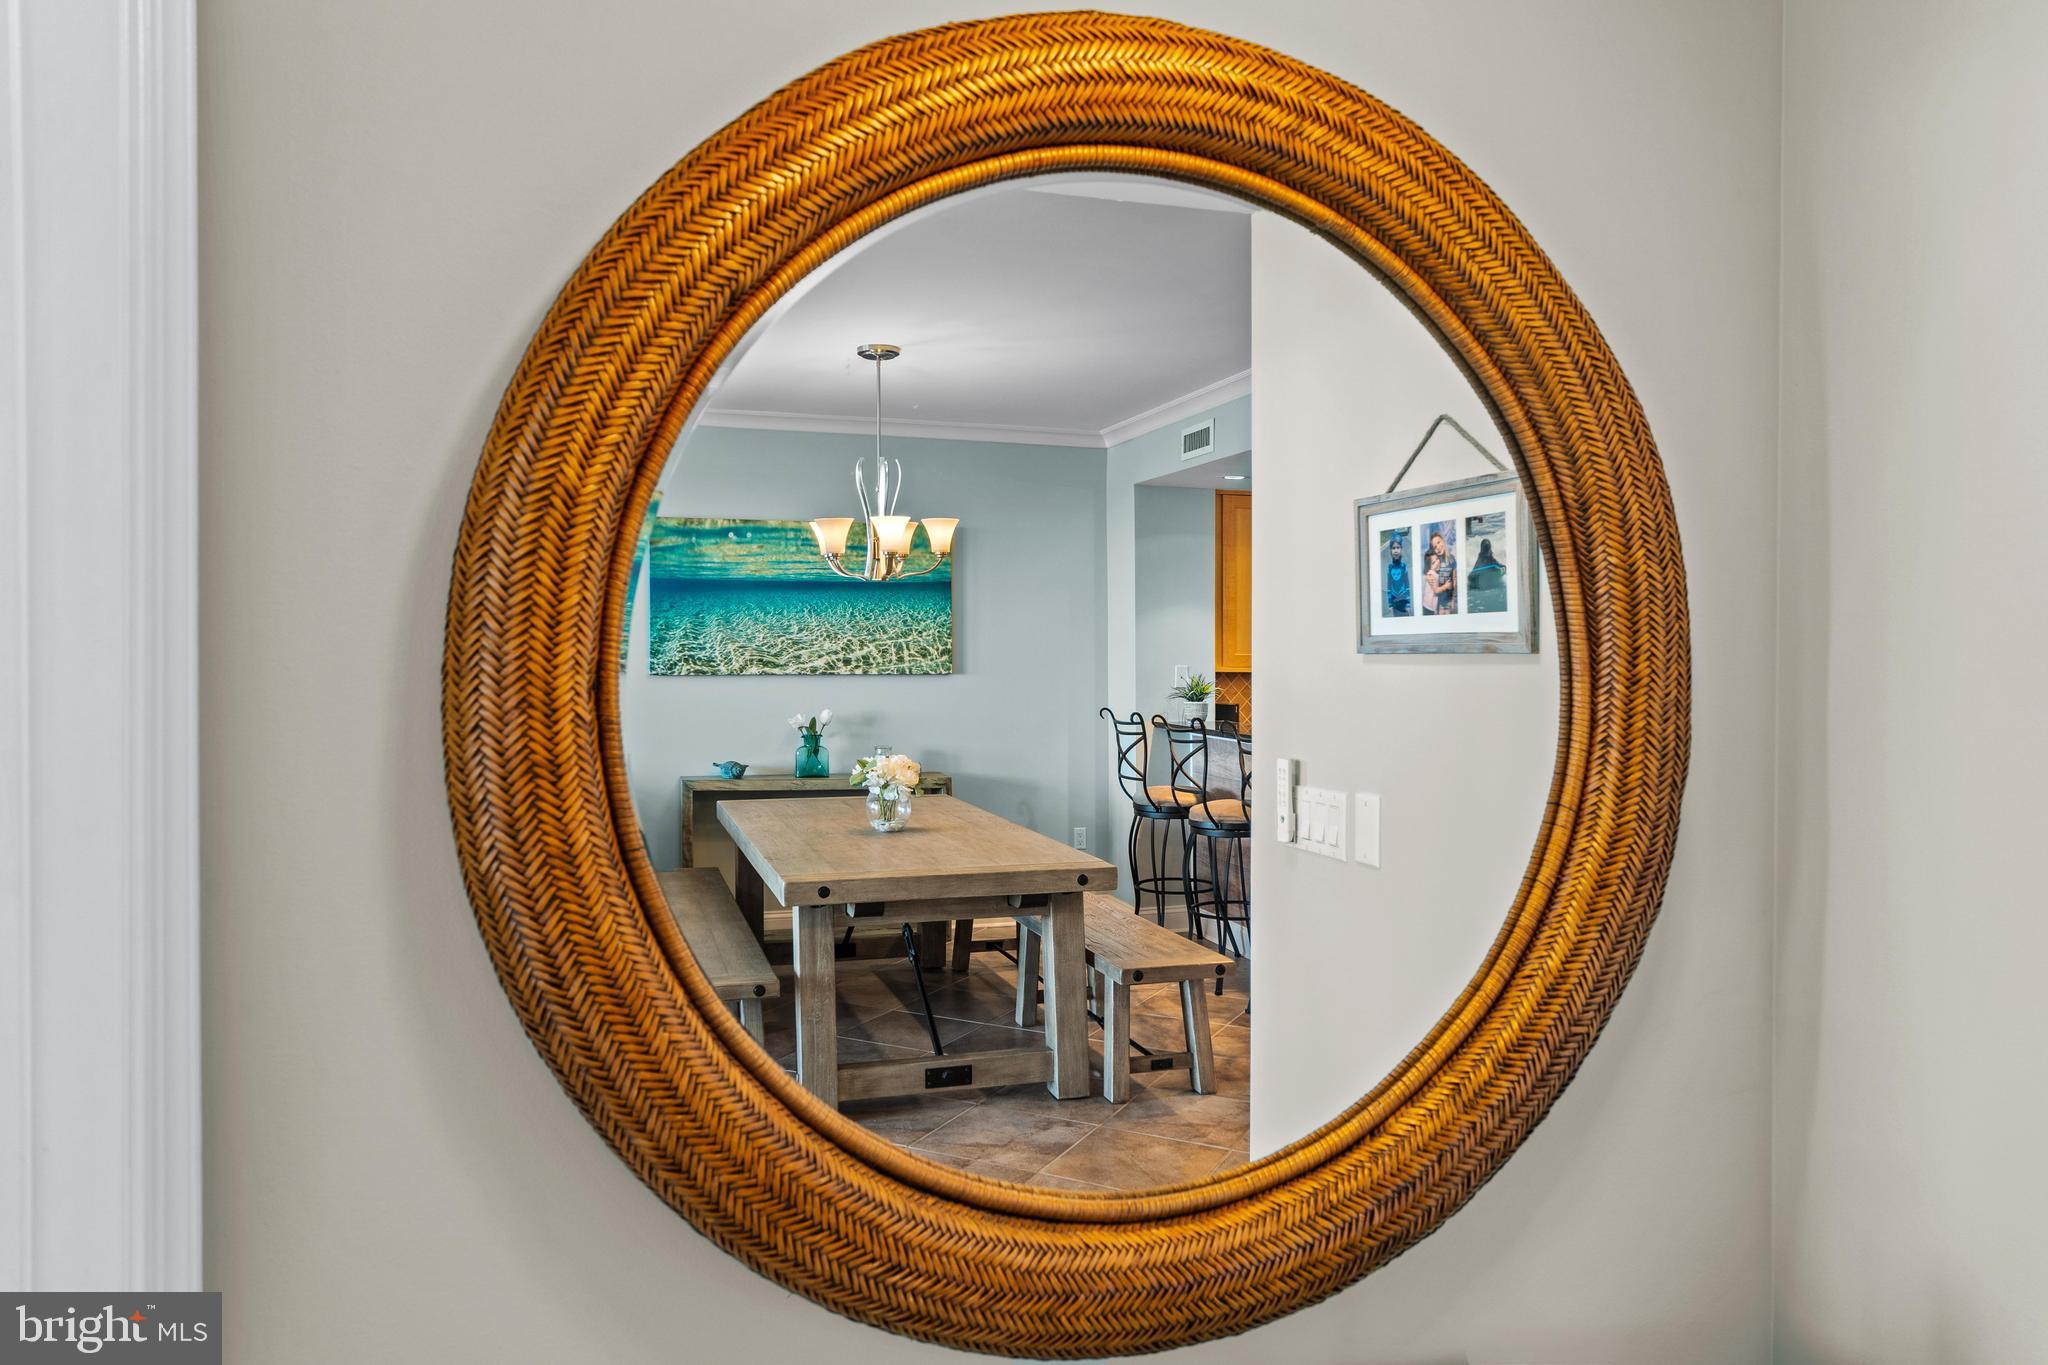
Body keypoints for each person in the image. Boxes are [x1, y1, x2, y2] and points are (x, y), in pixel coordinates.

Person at [1467, 537, 1507, 613]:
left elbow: (1473, 572)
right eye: (1487, 548)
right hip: (1482, 582)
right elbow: (1500, 566)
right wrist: (1503, 569)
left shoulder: (1486, 558)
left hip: (1479, 584)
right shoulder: (1484, 558)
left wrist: (1503, 568)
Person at [1422, 530, 1457, 615]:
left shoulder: (1452, 559)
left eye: (1438, 542)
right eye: (1435, 546)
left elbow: (1454, 579)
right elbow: (1428, 569)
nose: (1438, 547)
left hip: (1448, 602)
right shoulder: (1435, 560)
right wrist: (1428, 575)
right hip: (1438, 604)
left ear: (1443, 541)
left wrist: (1453, 599)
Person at [1383, 534, 1412, 615]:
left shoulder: (1404, 566)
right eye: (1393, 548)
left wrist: (1408, 604)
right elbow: (1389, 587)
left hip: (1404, 601)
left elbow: (1407, 586)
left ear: (1401, 549)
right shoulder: (1389, 567)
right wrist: (1390, 604)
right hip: (1394, 602)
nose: (1396, 550)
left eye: (1398, 548)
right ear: (1391, 550)